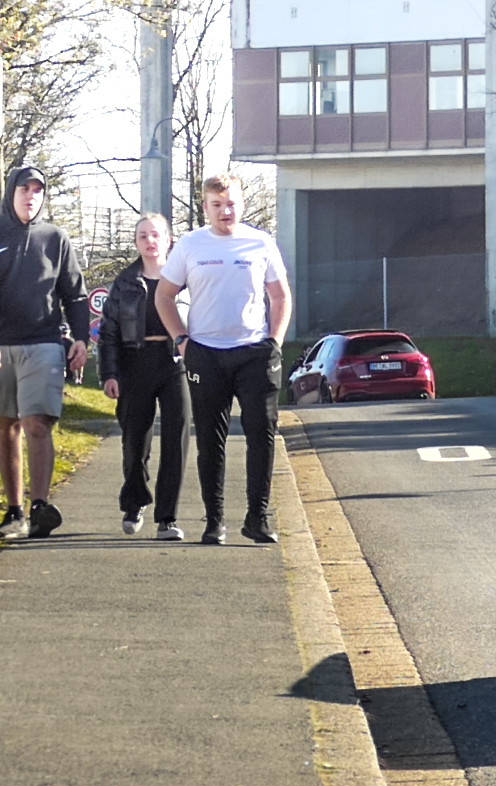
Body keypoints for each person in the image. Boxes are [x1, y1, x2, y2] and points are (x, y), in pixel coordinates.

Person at [153, 174, 291, 546]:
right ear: (205, 208)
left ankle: (257, 518)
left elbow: (280, 297)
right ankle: (214, 521)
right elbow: (164, 297)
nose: (225, 211)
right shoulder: (190, 245)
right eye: (217, 205)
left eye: (231, 204)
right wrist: (182, 340)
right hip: (205, 354)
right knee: (210, 441)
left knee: (261, 434)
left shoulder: (260, 243)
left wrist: (273, 342)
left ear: (241, 204)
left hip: (254, 353)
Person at [0, 166, 89, 540]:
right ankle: (14, 511)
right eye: (24, 189)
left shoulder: (56, 238)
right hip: (2, 346)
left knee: (37, 424)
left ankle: (39, 507)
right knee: (5, 428)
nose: (31, 196)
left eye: (38, 191)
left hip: (44, 343)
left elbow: (75, 293)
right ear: (11, 193)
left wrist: (81, 338)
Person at [98, 213, 191, 541]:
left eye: (156, 235)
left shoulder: (185, 280)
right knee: (135, 441)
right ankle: (134, 501)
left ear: (168, 240)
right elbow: (108, 332)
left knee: (176, 437)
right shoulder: (124, 282)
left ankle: (167, 517)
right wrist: (108, 373)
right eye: (143, 236)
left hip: (174, 362)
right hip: (134, 364)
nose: (150, 241)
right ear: (136, 243)